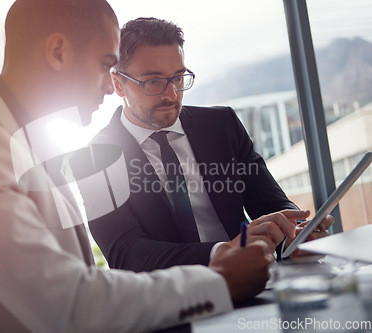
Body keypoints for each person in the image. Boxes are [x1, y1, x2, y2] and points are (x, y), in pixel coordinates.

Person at [0, 2, 274, 332]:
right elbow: (66, 302)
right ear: (58, 51)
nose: (111, 88)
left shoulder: (28, 143)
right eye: (105, 64)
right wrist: (218, 282)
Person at [84, 17, 334, 272]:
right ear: (118, 83)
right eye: (153, 82)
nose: (171, 95)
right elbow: (126, 254)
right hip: (170, 301)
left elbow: (271, 204)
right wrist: (223, 251)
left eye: (178, 78)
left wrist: (295, 237)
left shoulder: (222, 125)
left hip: (256, 281)